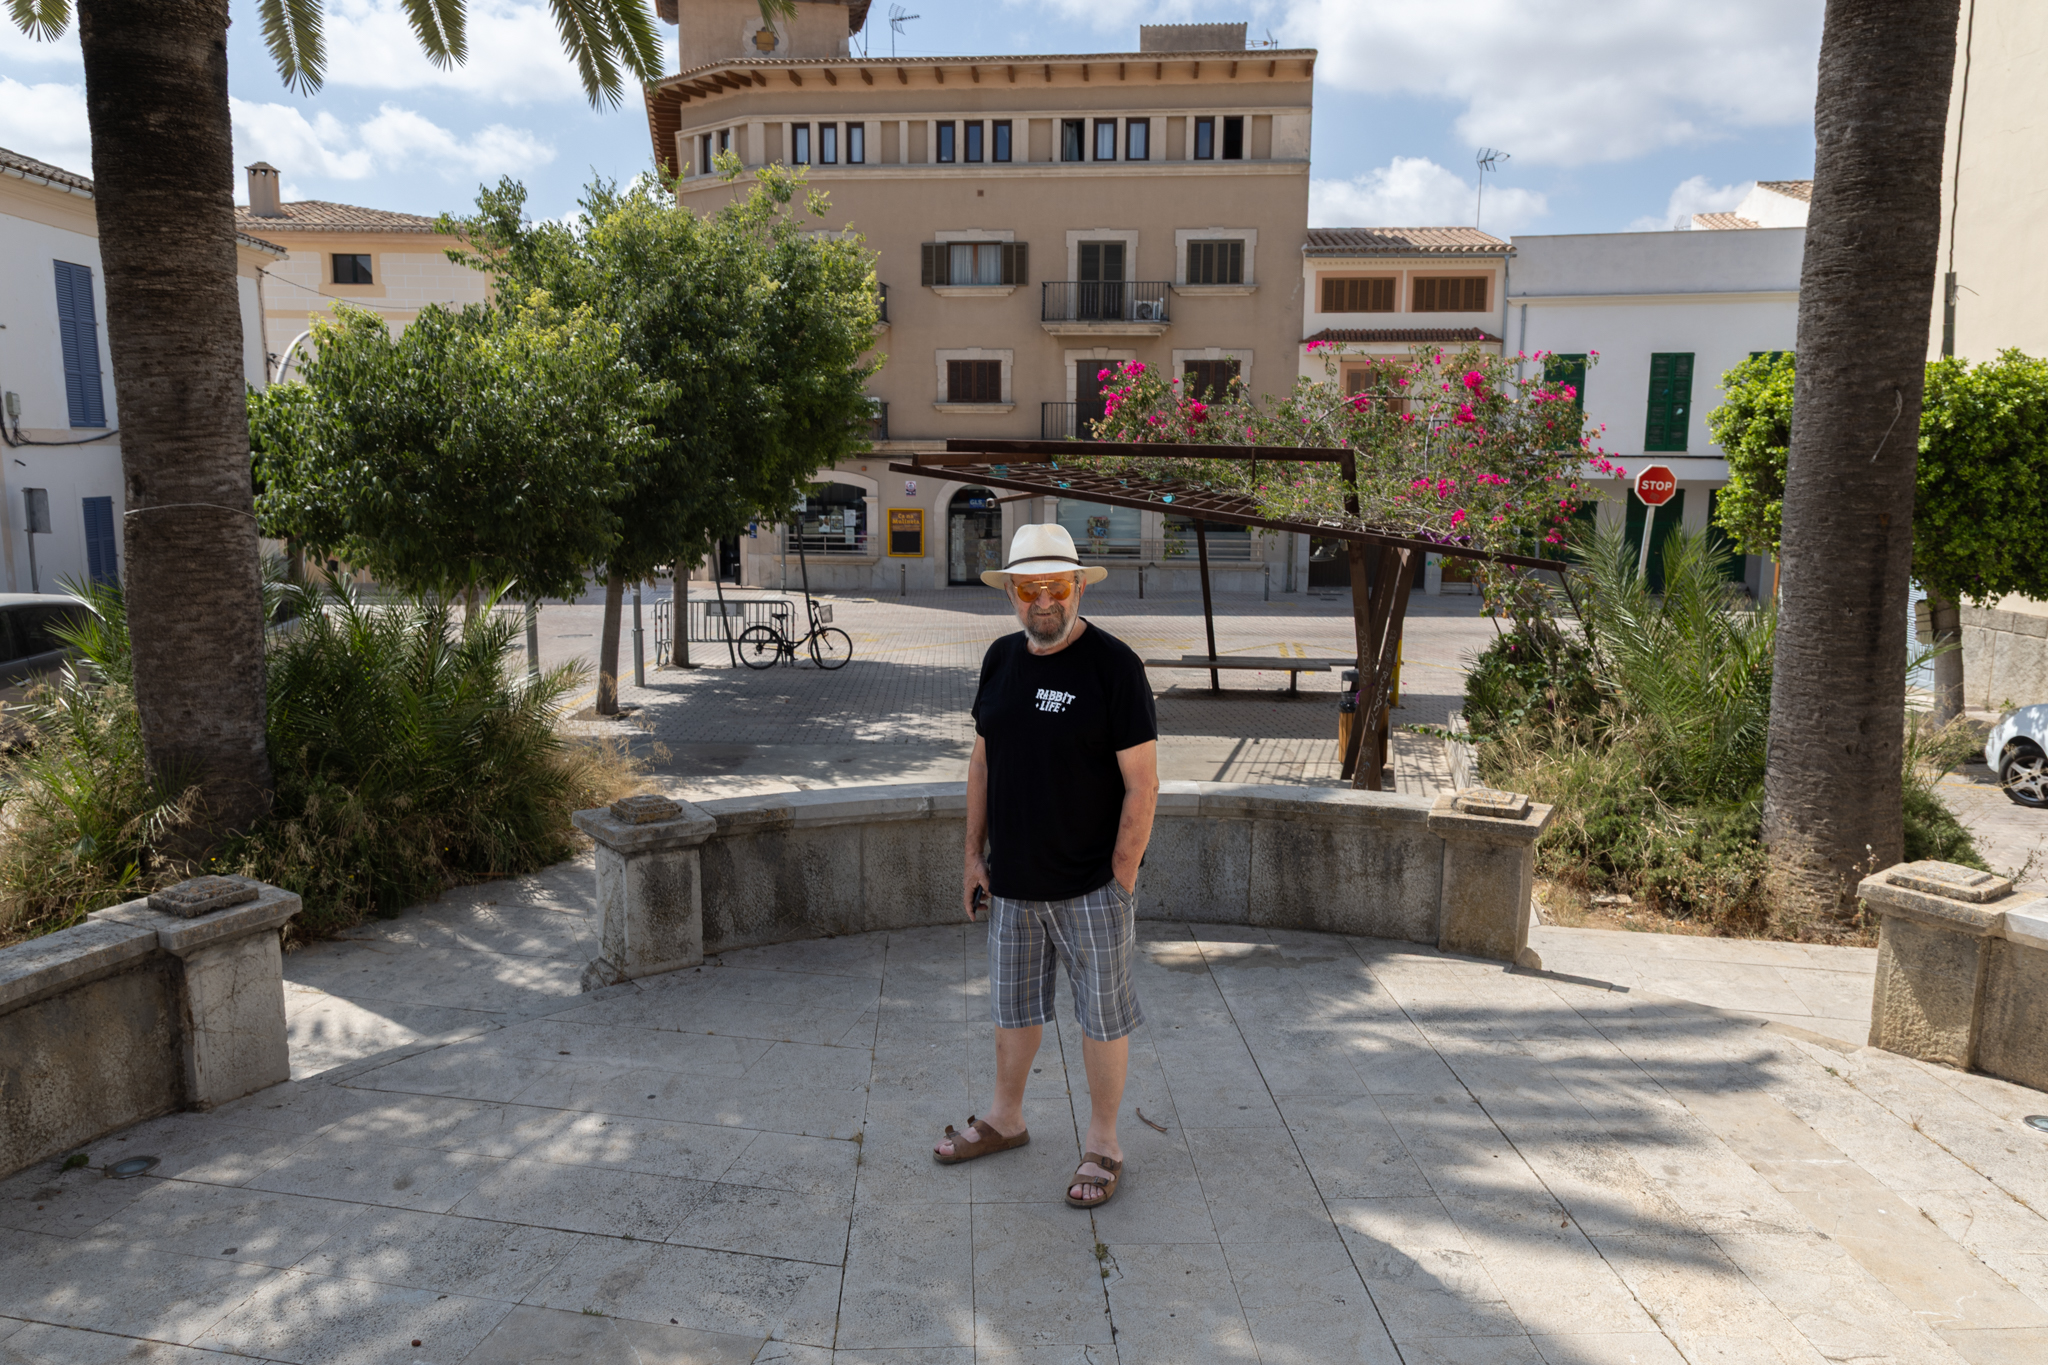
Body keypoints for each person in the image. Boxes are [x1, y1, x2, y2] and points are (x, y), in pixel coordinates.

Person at [932, 523, 1159, 1209]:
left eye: (1056, 587)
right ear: (1012, 594)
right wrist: (974, 856)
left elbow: (1142, 786)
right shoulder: (1001, 659)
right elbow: (982, 762)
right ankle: (1007, 1116)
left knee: (1102, 1017)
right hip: (1015, 883)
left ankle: (1105, 1140)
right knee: (1014, 1008)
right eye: (1028, 589)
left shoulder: (1114, 666)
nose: (1043, 602)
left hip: (1092, 886)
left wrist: (1120, 878)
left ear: (1079, 586)